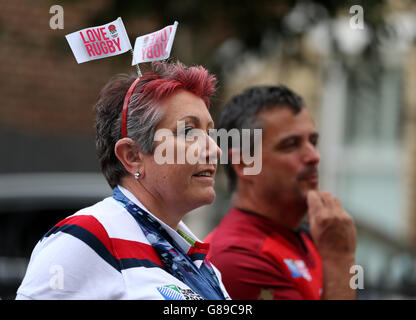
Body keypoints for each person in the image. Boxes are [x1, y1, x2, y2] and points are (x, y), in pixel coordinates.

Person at [16, 61, 230, 300]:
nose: (214, 149)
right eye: (188, 132)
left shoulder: (196, 257)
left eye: (210, 133)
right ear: (133, 156)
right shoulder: (85, 237)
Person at [206, 85, 357, 300]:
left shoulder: (309, 237)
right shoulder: (236, 258)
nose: (314, 156)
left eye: (313, 142)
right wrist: (340, 258)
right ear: (245, 163)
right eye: (291, 145)